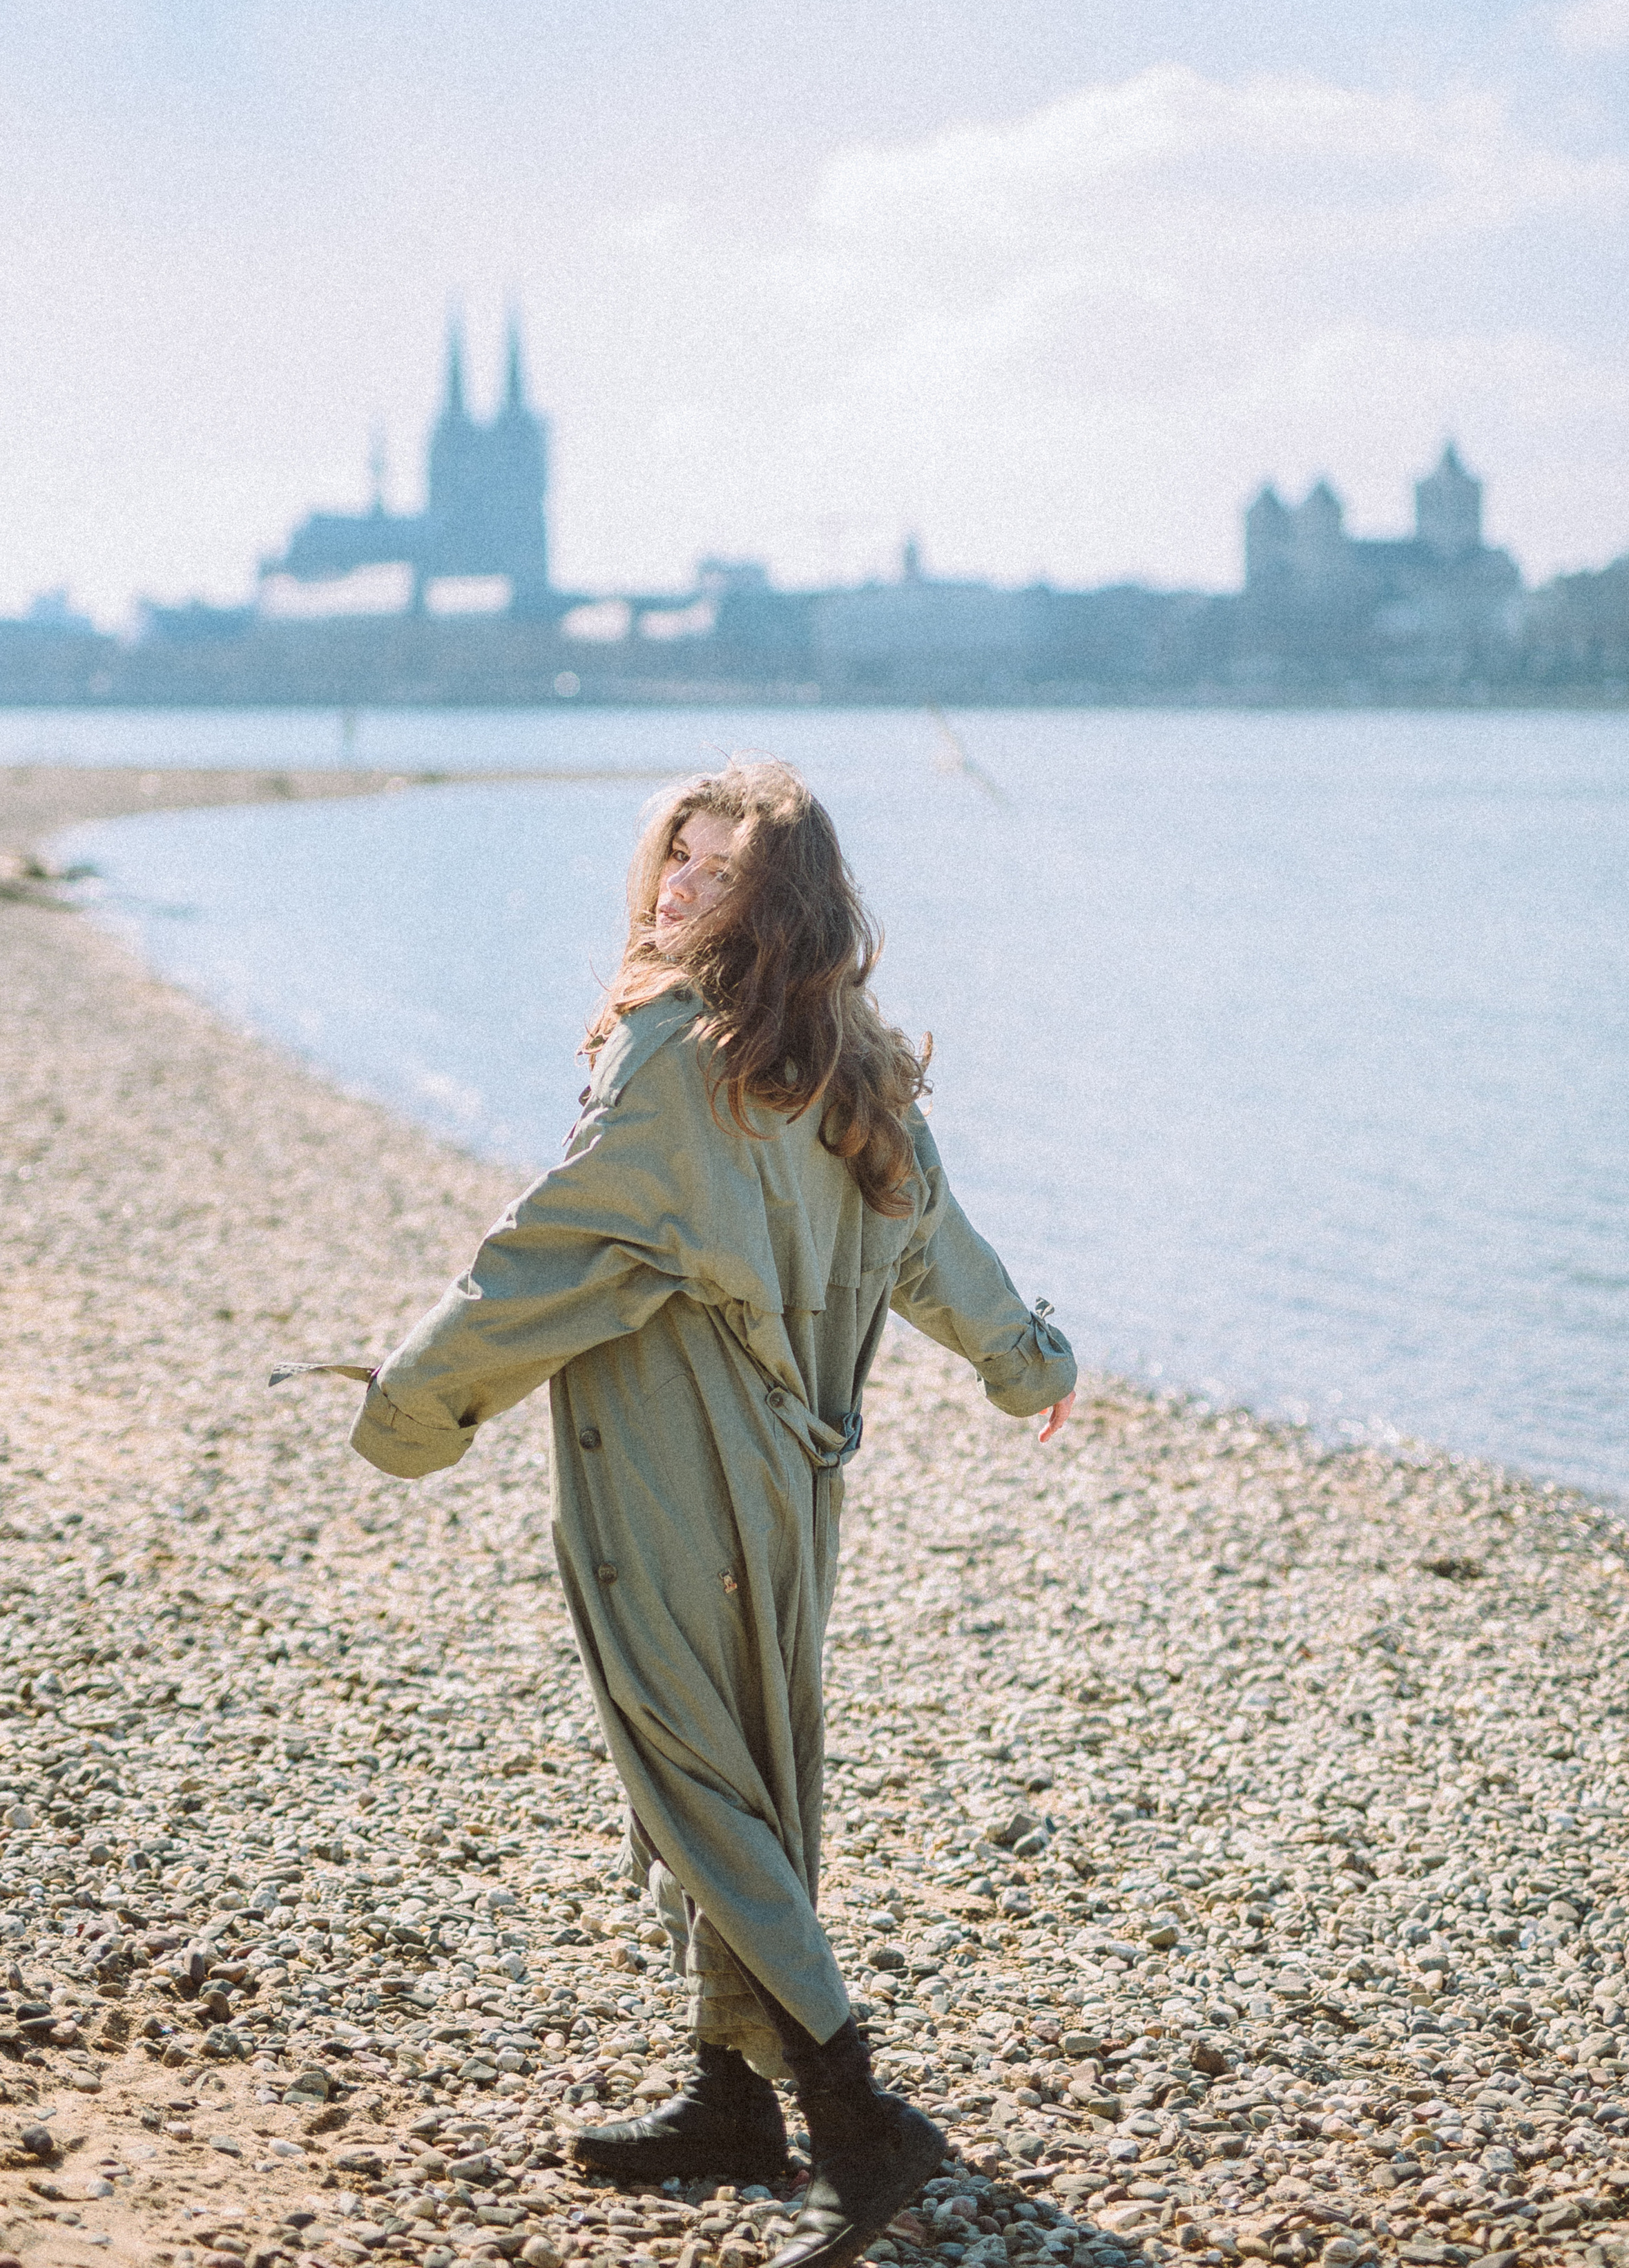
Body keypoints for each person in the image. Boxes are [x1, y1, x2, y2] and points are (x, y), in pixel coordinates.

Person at [341, 759, 1076, 2268]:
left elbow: (546, 1251)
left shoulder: (677, 1058)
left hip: (672, 1457)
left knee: (687, 1764)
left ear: (775, 900)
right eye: (676, 855)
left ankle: (853, 2114)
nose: (680, 885)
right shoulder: (843, 1054)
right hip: (793, 1477)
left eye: (719, 868)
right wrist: (1027, 1360)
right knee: (744, 1764)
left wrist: (409, 1407)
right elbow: (934, 1241)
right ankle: (730, 2099)